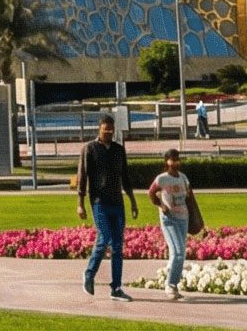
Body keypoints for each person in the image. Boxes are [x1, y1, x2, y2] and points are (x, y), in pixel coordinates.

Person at [76, 111, 139, 298]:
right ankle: (89, 274)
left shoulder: (119, 150)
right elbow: (82, 177)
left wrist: (133, 201)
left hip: (117, 203)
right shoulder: (90, 149)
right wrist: (80, 203)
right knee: (104, 239)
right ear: (99, 129)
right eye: (105, 130)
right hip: (99, 202)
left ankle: (116, 287)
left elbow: (125, 177)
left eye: (111, 130)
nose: (109, 133)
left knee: (118, 246)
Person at [149, 145, 193, 300]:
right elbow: (151, 192)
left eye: (177, 159)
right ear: (167, 161)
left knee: (179, 253)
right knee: (178, 252)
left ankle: (172, 278)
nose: (175, 162)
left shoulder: (183, 177)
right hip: (169, 219)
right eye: (172, 159)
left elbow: (189, 197)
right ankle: (171, 285)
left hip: (183, 218)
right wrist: (161, 205)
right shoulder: (162, 178)